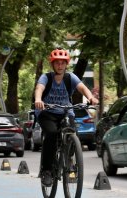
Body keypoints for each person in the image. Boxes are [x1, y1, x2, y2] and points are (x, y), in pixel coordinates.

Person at [34, 48, 99, 187]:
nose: (60, 66)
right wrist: (38, 99)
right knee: (51, 134)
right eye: (57, 63)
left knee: (71, 131)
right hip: (47, 112)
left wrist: (91, 97)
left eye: (62, 63)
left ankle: (69, 161)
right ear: (53, 64)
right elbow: (39, 88)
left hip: (65, 111)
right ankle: (46, 171)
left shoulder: (71, 77)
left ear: (66, 64)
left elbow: (82, 88)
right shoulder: (46, 77)